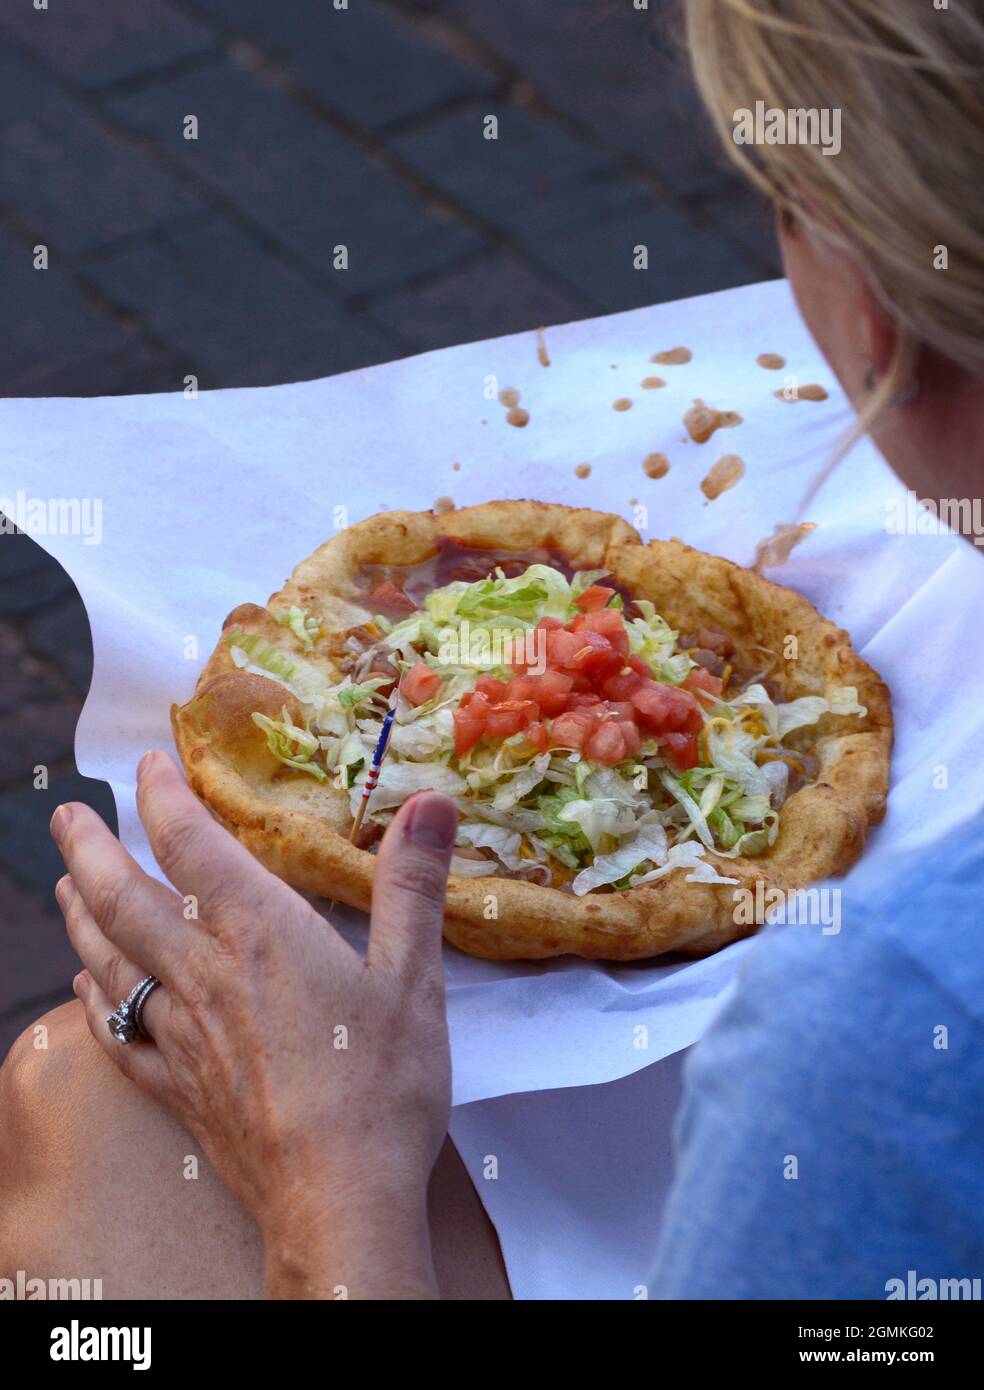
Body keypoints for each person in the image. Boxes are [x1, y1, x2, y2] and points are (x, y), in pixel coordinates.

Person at [2, 0, 982, 1300]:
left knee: (85, 1107)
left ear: (876, 314)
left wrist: (329, 1177)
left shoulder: (882, 1035)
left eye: (783, 195)